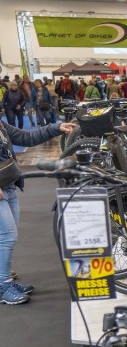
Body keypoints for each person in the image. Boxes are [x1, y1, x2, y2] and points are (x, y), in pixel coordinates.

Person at [0, 117, 77, 304]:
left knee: (6, 236)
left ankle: (4, 280)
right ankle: (3, 285)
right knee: (8, 235)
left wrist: (56, 127)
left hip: (7, 184)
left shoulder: (1, 124)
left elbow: (26, 137)